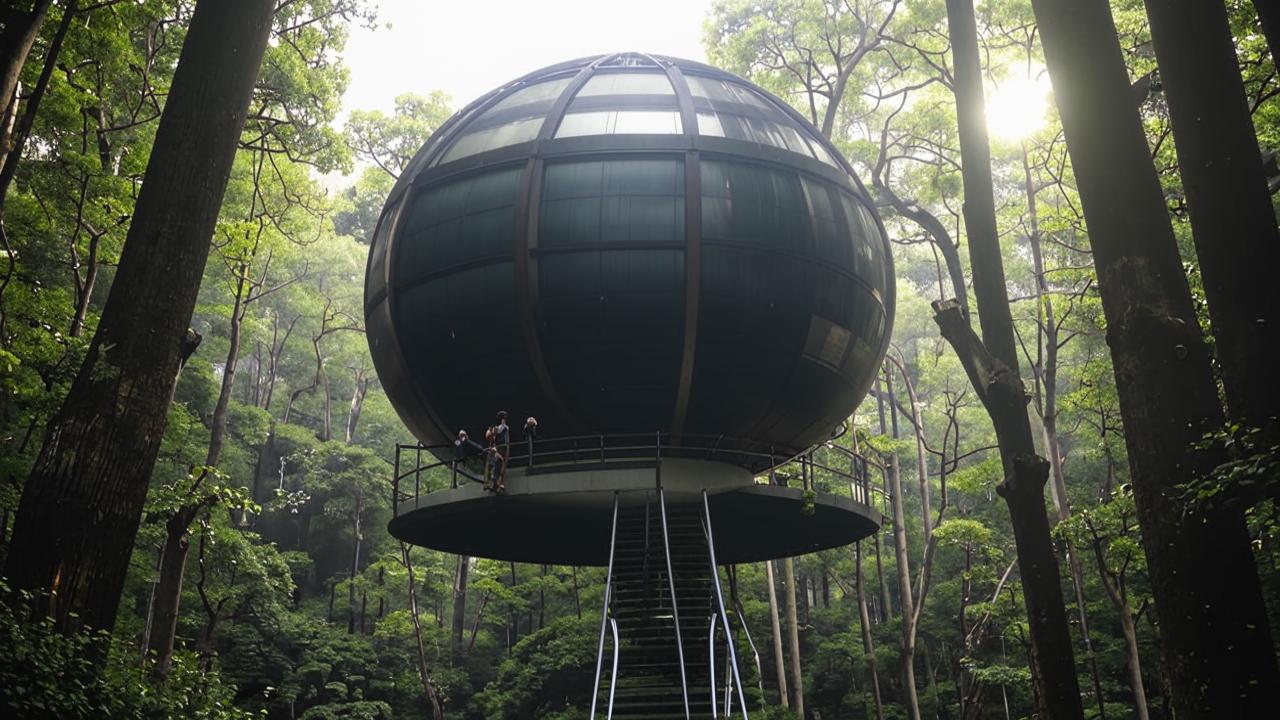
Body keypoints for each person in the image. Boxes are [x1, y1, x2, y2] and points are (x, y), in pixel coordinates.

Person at [492, 410, 510, 492]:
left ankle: (500, 482)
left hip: (504, 447)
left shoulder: (504, 427)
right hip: (501, 447)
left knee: (502, 464)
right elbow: (496, 435)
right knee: (499, 463)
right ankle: (497, 481)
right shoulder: (498, 428)